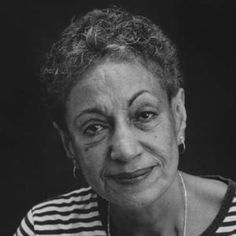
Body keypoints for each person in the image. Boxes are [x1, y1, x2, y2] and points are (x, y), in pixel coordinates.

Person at [14, 6, 236, 236]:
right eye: (94, 127)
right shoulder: (44, 228)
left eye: (144, 115)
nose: (125, 150)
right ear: (69, 144)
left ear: (178, 115)